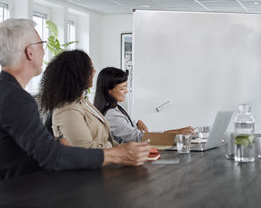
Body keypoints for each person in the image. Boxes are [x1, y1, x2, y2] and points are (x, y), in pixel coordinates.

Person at [0, 18, 150, 180]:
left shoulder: (8, 92)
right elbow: (49, 156)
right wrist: (116, 155)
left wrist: (57, 144)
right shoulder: (16, 98)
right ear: (29, 52)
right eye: (41, 44)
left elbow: (28, 146)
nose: (44, 51)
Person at [93, 67, 196, 143]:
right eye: (122, 88)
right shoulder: (111, 114)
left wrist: (137, 123)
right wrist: (177, 134)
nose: (126, 91)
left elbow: (131, 129)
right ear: (108, 91)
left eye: (126, 87)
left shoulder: (117, 108)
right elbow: (139, 138)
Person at [40, 50, 116, 149]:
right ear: (78, 74)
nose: (94, 71)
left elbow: (105, 139)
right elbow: (84, 149)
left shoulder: (83, 102)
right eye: (91, 68)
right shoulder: (67, 110)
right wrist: (116, 149)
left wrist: (126, 148)